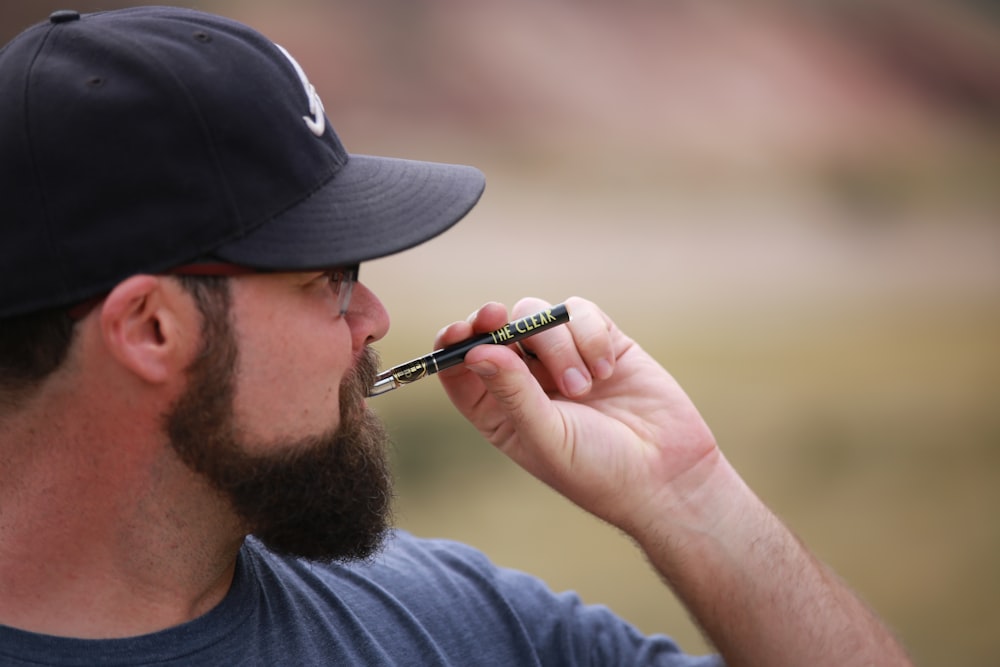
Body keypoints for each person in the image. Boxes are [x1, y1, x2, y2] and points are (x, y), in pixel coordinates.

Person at [0, 7, 912, 666]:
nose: (374, 321)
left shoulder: (450, 621)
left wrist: (690, 496)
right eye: (330, 279)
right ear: (151, 328)